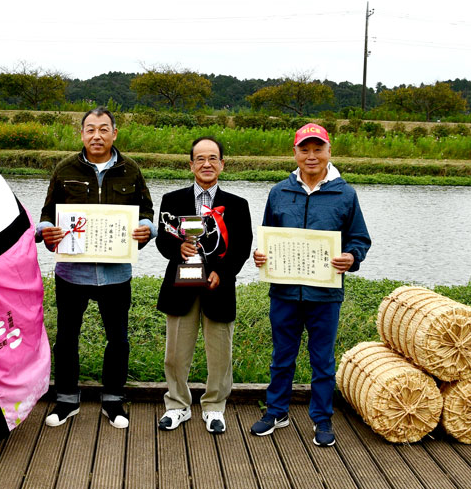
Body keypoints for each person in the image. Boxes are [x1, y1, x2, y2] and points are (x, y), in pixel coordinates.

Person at [251, 123, 370, 447]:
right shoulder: (279, 192)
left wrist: (351, 256)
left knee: (322, 360)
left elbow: (360, 238)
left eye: (318, 149)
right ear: (295, 153)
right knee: (282, 356)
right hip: (285, 292)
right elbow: (266, 237)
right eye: (305, 149)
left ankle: (322, 419)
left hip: (325, 294)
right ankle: (276, 411)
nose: (312, 156)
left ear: (329, 151)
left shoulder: (345, 193)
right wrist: (260, 255)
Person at [37, 106, 156, 429]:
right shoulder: (65, 169)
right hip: (72, 273)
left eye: (104, 129)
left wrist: (146, 228)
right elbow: (48, 213)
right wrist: (46, 231)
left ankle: (114, 399)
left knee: (118, 338)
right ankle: (65, 399)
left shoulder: (130, 170)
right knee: (66, 337)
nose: (97, 135)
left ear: (114, 133)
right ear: (82, 134)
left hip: (116, 272)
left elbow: (146, 210)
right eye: (90, 129)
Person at [155, 137, 252, 434]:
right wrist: (177, 249)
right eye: (200, 158)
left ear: (222, 164)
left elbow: (242, 247)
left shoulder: (237, 205)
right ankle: (177, 405)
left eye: (213, 158)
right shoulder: (172, 200)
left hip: (217, 288)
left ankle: (214, 407)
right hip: (180, 287)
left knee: (221, 354)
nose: (206, 164)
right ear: (191, 164)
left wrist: (222, 272)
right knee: (175, 353)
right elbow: (162, 239)